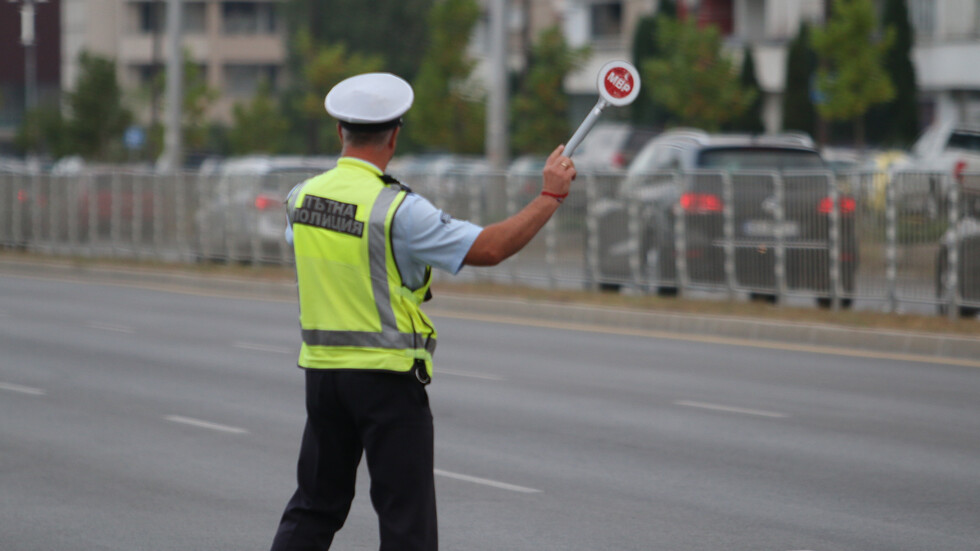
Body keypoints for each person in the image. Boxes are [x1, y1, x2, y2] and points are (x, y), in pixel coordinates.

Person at [270, 72, 576, 551]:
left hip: (323, 376)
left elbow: (326, 253)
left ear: (339, 133)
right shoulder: (399, 210)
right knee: (405, 522)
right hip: (386, 380)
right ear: (394, 136)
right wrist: (550, 195)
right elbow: (491, 248)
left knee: (314, 505)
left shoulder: (300, 198)